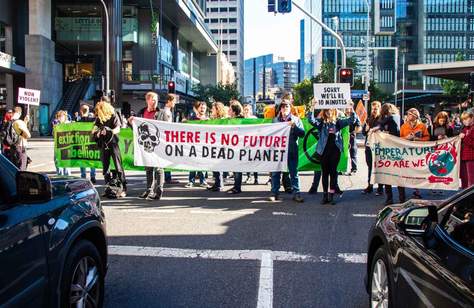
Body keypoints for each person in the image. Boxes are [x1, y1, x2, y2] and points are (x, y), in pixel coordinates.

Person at [308, 100, 356, 205]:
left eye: (331, 109)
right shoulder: (321, 123)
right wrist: (312, 107)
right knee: (325, 173)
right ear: (324, 112)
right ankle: (325, 196)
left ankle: (332, 195)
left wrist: (351, 107)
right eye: (327, 110)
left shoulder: (338, 122)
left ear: (334, 111)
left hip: (335, 151)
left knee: (333, 173)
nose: (329, 111)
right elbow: (310, 120)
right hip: (324, 151)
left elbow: (352, 120)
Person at [129, 92, 166, 200]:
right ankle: (149, 190)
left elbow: (166, 128)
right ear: (148, 100)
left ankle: (159, 190)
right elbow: (136, 130)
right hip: (145, 146)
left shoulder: (161, 113)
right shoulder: (141, 113)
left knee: (159, 168)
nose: (155, 101)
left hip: (158, 146)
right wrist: (130, 123)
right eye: (153, 99)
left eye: (156, 99)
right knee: (148, 168)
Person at [269, 99, 305, 203]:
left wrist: (294, 126)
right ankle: (274, 193)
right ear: (280, 109)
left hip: (291, 150)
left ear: (290, 108)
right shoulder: (275, 120)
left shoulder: (296, 120)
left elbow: (302, 134)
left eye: (287, 106)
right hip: (278, 151)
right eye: (283, 106)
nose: (285, 108)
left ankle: (296, 194)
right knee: (275, 173)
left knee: (294, 173)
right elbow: (270, 134)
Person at [93, 97, 127, 197]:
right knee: (105, 167)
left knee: (118, 166)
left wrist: (109, 130)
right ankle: (108, 187)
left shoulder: (113, 115)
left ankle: (124, 187)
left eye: (100, 111)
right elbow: (94, 129)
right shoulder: (99, 118)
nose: (98, 113)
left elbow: (118, 129)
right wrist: (97, 133)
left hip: (113, 143)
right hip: (103, 144)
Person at [372, 103, 405, 205]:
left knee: (387, 174)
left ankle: (389, 198)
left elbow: (380, 124)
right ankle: (402, 198)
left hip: (388, 149)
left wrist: (377, 128)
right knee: (399, 175)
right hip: (398, 149)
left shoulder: (389, 118)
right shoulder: (398, 117)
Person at [400, 108, 430, 199]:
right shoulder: (403, 126)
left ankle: (416, 191)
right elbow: (399, 139)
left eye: (409, 114)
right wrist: (406, 138)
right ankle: (403, 190)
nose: (407, 116)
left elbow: (428, 138)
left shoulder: (422, 126)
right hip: (407, 152)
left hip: (418, 152)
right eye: (408, 114)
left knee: (417, 171)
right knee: (406, 170)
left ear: (415, 116)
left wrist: (418, 139)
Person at [186, 101, 208, 188]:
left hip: (203, 145)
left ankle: (203, 181)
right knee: (192, 163)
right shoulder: (192, 119)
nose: (202, 109)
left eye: (204, 108)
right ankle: (191, 181)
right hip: (193, 144)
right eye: (201, 108)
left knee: (202, 163)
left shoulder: (208, 120)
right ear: (197, 109)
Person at [207, 102, 227, 192]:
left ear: (218, 110)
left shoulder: (223, 120)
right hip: (214, 144)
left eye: (213, 108)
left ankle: (219, 184)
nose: (211, 110)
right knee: (214, 165)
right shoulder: (213, 119)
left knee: (218, 165)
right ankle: (217, 183)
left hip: (220, 145)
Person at [226, 100, 245, 194]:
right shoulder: (229, 120)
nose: (228, 111)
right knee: (234, 168)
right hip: (232, 147)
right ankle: (236, 186)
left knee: (237, 168)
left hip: (238, 148)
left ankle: (237, 187)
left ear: (234, 111)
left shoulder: (240, 120)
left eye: (229, 109)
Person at [77, 104, 97, 183]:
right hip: (91, 143)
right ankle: (93, 176)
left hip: (82, 143)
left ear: (80, 111)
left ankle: (83, 176)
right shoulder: (93, 120)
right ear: (88, 111)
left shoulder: (78, 122)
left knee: (82, 160)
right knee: (92, 159)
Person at [243, 103, 259, 185]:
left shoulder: (254, 119)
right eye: (245, 109)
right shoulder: (241, 119)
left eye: (247, 109)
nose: (246, 111)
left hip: (253, 143)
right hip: (245, 143)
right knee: (247, 161)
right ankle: (249, 176)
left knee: (254, 161)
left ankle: (256, 178)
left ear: (251, 110)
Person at [52, 110, 71, 176]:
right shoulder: (56, 124)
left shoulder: (68, 124)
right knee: (57, 162)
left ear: (64, 117)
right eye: (58, 117)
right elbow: (54, 136)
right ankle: (60, 177)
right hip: (57, 146)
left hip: (66, 146)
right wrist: (54, 129)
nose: (59, 118)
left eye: (60, 116)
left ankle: (67, 179)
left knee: (66, 165)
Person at [345, 104, 361, 174]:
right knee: (343, 154)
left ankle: (354, 169)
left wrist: (354, 132)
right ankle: (342, 169)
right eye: (346, 109)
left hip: (351, 137)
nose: (347, 110)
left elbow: (359, 126)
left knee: (353, 153)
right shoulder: (342, 116)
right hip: (343, 137)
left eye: (349, 108)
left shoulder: (355, 116)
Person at [460, 111, 474, 189]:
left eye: (466, 119)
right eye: (463, 120)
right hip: (463, 157)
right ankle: (463, 195)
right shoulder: (464, 128)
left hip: (471, 157)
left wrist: (464, 137)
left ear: (472, 118)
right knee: (464, 179)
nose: (465, 121)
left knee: (471, 179)